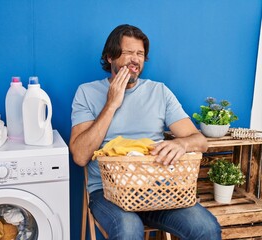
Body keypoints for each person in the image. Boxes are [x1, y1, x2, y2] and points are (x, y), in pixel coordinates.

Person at [69, 24, 221, 240]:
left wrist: (181, 144)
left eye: (140, 54)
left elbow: (200, 141)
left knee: (206, 227)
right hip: (107, 194)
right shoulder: (87, 92)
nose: (135, 59)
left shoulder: (159, 92)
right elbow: (80, 156)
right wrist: (111, 104)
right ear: (110, 57)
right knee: (129, 230)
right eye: (128, 52)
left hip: (159, 191)